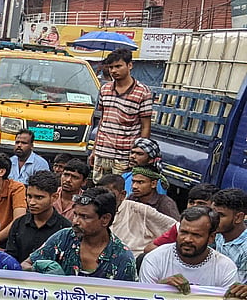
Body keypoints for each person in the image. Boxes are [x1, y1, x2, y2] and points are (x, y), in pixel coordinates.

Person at [24, 188, 137, 281]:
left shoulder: (122, 257)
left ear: (105, 219)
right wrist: (39, 272)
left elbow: (128, 299)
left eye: (84, 217)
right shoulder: (63, 238)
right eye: (75, 215)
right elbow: (24, 265)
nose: (75, 222)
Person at [139, 207, 238, 291]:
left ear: (211, 237)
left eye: (196, 235)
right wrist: (162, 288)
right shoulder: (155, 259)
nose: (187, 239)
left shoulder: (225, 268)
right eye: (183, 232)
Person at [92, 48, 153, 180]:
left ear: (129, 65)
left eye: (118, 66)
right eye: (111, 67)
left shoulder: (142, 92)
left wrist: (139, 155)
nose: (114, 71)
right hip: (102, 153)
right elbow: (103, 120)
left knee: (120, 193)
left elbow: (146, 126)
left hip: (124, 157)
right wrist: (94, 150)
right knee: (99, 193)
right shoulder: (105, 89)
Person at [95, 174, 176, 256]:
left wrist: (156, 249)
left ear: (122, 195)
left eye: (108, 194)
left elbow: (175, 228)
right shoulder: (95, 210)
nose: (103, 199)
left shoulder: (140, 210)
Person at [5, 170, 70, 262]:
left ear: (54, 197)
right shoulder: (19, 224)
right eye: (29, 196)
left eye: (39, 198)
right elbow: (11, 257)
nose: (32, 202)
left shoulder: (65, 228)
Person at [146, 182, 218, 253]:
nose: (194, 206)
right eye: (191, 202)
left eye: (201, 203)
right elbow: (150, 248)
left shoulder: (221, 231)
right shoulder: (180, 226)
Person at [213, 188, 247, 282]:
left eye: (220, 215)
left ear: (238, 217)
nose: (214, 219)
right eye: (213, 213)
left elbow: (239, 285)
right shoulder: (219, 234)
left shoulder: (245, 250)